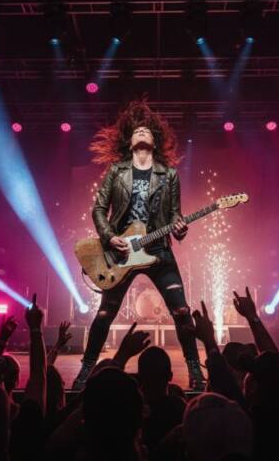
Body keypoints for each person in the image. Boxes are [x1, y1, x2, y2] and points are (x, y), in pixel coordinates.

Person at [73, 98, 205, 390]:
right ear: (129, 140)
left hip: (158, 251)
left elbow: (175, 215)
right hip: (121, 253)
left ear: (155, 141)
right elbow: (98, 209)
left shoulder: (168, 174)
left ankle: (196, 371)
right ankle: (85, 372)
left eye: (147, 130)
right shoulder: (116, 171)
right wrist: (110, 237)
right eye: (137, 130)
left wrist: (180, 229)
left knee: (182, 312)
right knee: (105, 314)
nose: (142, 131)